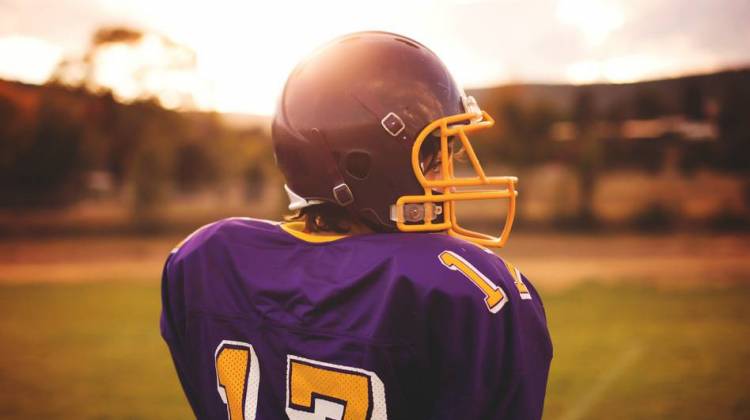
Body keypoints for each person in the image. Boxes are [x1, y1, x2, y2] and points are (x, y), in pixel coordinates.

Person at [161, 31, 552, 420]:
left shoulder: (208, 261)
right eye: (435, 160)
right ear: (363, 165)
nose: (446, 179)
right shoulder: (464, 289)